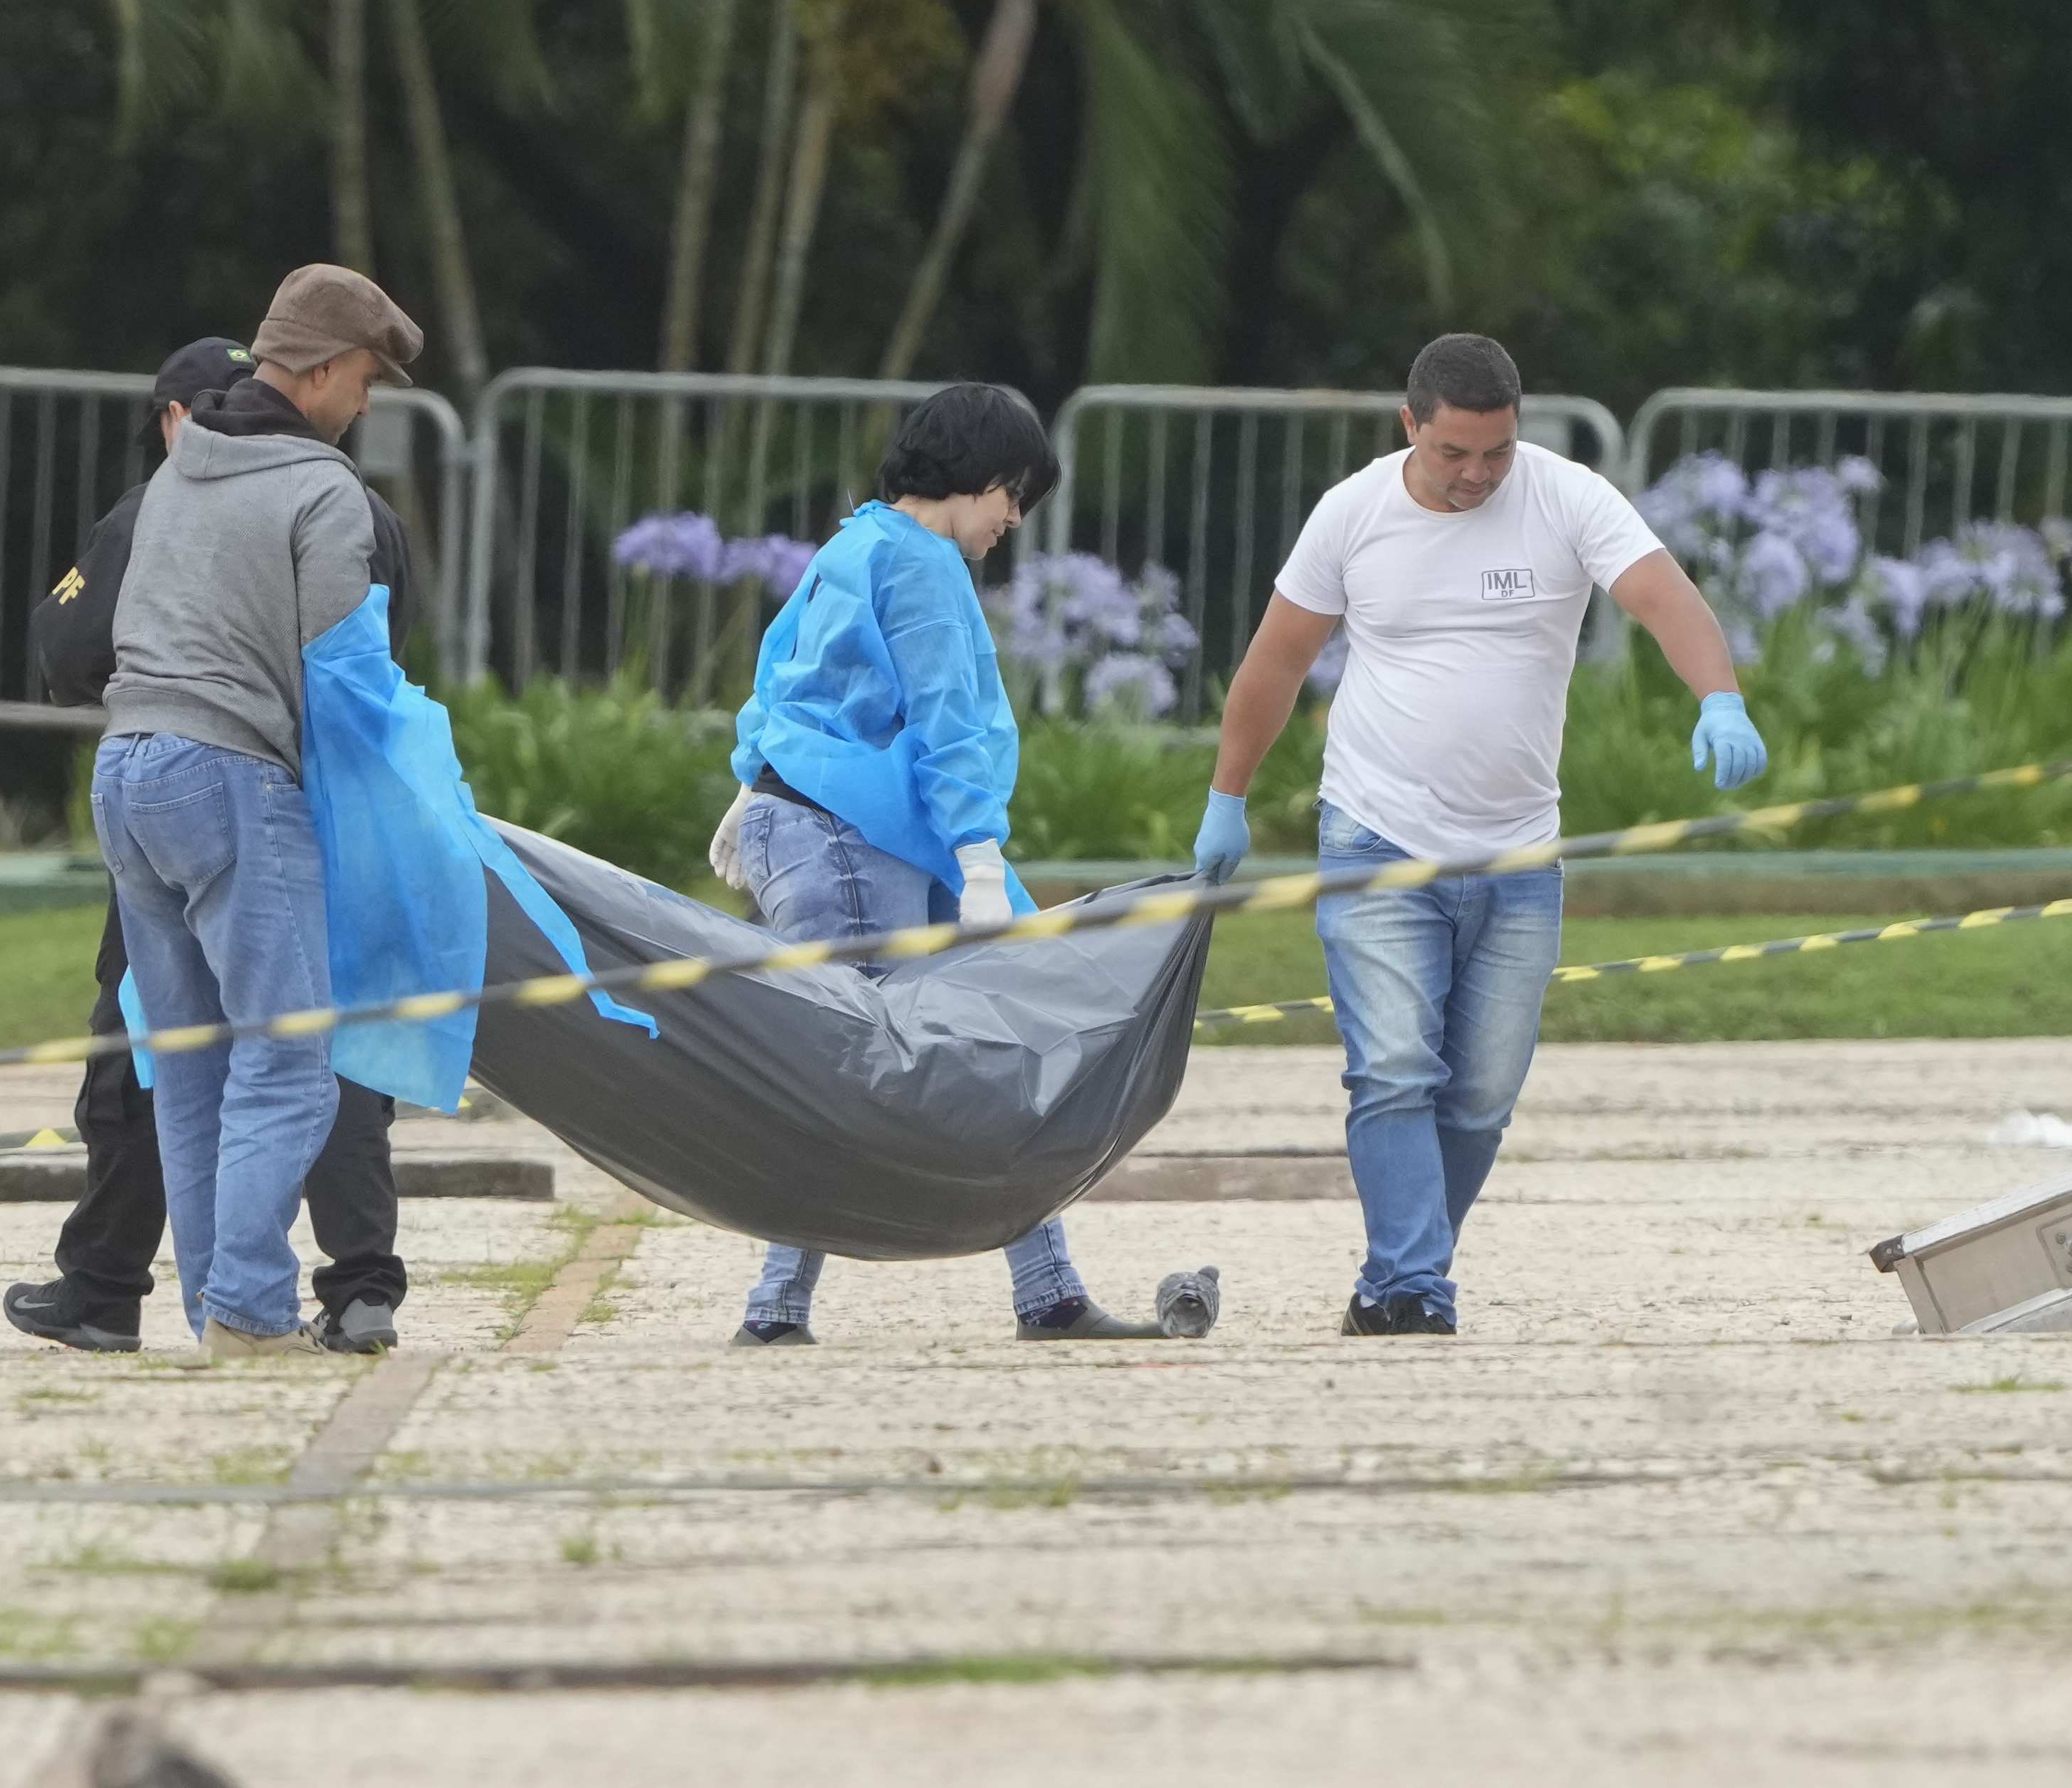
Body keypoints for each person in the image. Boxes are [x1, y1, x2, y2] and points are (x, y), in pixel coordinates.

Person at [1200, 334, 1766, 1336]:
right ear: (1408, 424)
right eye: (1454, 453)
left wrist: (1718, 697)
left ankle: (1392, 1283)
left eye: (1495, 453)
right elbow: (1278, 660)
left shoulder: (1568, 497)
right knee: (1393, 1071)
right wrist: (1228, 795)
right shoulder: (1353, 513)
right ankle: (1418, 1288)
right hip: (1376, 838)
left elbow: (1663, 598)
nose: (1477, 476)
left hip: (1517, 853)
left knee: (1481, 1094)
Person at [712, 383, 1218, 1348]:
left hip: (799, 823)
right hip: (853, 838)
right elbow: (949, 721)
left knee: (941, 1059)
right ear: (978, 475)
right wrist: (980, 857)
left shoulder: (850, 544)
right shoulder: (924, 567)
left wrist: (749, 793)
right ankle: (778, 1309)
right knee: (890, 1068)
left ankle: (1046, 1290)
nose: (1015, 520)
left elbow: (780, 678)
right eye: (1013, 492)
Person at [6, 335, 416, 1355]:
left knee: (180, 1067)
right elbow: (347, 671)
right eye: (366, 381)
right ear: (324, 367)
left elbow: (67, 643)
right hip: (238, 778)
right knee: (293, 1063)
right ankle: (253, 1306)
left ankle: (195, 1309)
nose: (365, 407)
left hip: (127, 773)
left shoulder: (169, 481)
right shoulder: (328, 493)